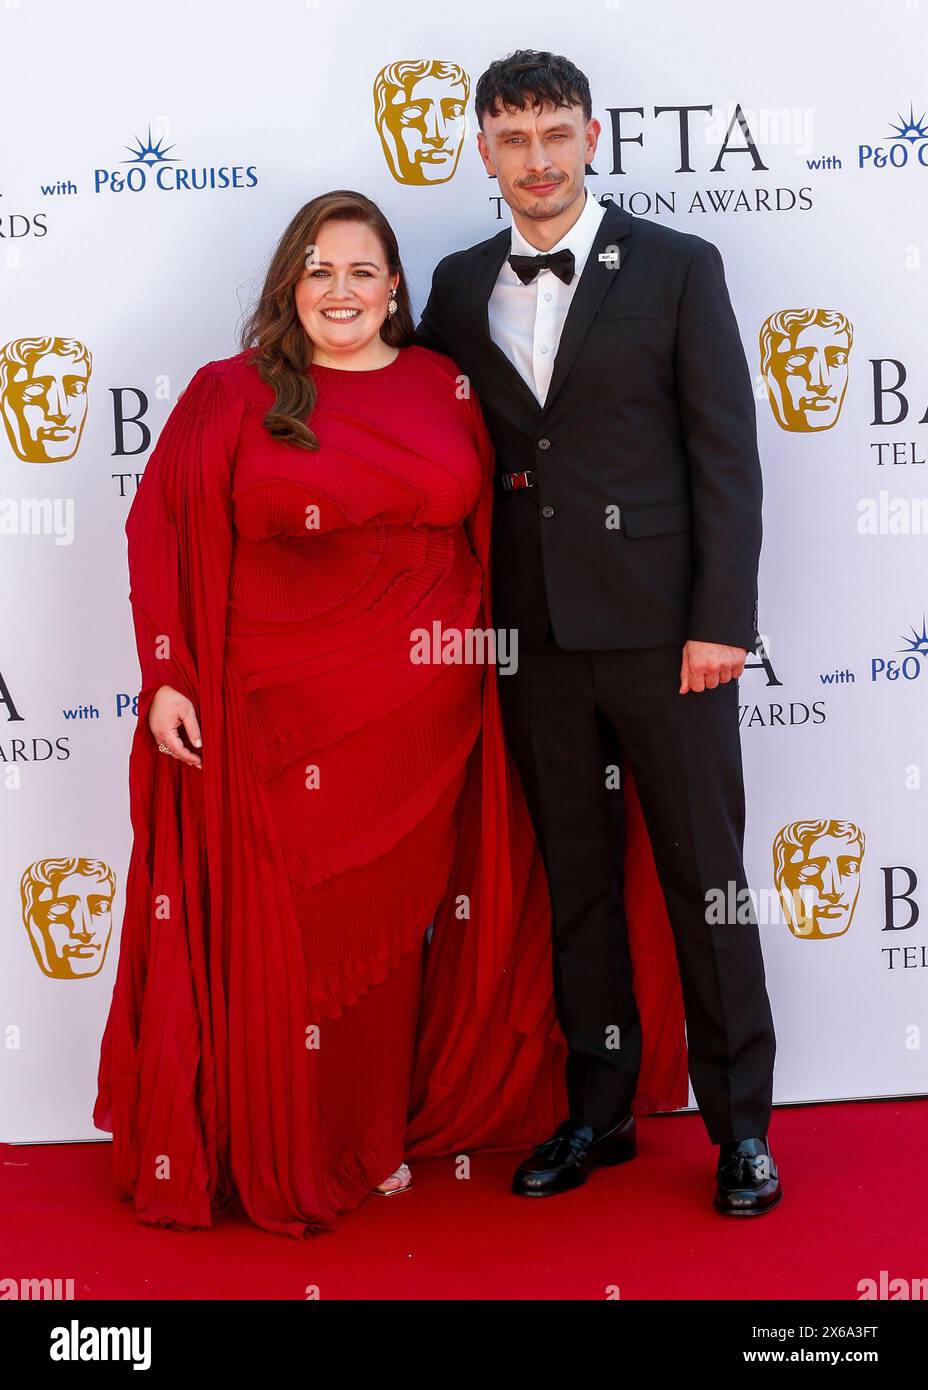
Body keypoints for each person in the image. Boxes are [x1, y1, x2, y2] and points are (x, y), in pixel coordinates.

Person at [93, 189, 688, 1238]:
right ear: (289, 283)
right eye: (318, 269)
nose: (340, 289)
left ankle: (366, 1133)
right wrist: (168, 673)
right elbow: (162, 533)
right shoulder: (229, 393)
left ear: (396, 287)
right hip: (274, 718)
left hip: (427, 714)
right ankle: (280, 1144)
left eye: (361, 270)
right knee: (290, 936)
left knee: (386, 941)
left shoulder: (443, 384)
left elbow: (506, 523)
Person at [414, 50, 781, 1216]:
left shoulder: (677, 266)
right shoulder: (456, 280)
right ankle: (601, 1111)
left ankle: (741, 1128)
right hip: (533, 644)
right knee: (576, 884)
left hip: (670, 639)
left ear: (592, 136)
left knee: (705, 880)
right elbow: (421, 431)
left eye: (556, 134)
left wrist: (721, 620)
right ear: (482, 148)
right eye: (513, 138)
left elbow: (726, 455)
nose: (537, 159)